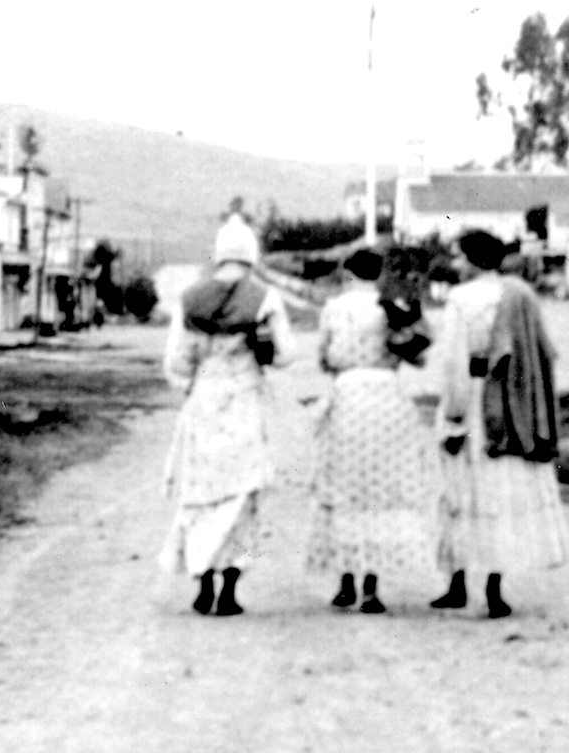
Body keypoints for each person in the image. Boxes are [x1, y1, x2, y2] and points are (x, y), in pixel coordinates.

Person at [158, 214, 295, 616]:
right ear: (251, 254)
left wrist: (192, 386)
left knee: (201, 495)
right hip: (244, 398)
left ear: (218, 254)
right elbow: (286, 355)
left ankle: (202, 582)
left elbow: (176, 362)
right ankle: (230, 590)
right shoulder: (264, 298)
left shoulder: (190, 298)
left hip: (205, 397)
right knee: (241, 497)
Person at [431, 230, 568, 618]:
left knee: (460, 488)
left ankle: (456, 584)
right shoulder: (521, 294)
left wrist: (454, 417)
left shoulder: (461, 299)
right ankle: (494, 589)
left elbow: (455, 362)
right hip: (510, 400)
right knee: (498, 491)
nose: (457, 265)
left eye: (460, 258)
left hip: (475, 396)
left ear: (474, 261)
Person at [305, 248, 441, 614]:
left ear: (348, 272)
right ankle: (372, 587)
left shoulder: (334, 308)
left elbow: (325, 358)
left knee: (346, 489)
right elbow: (418, 356)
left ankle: (346, 582)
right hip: (387, 399)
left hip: (348, 398)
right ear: (379, 274)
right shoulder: (390, 306)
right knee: (379, 491)